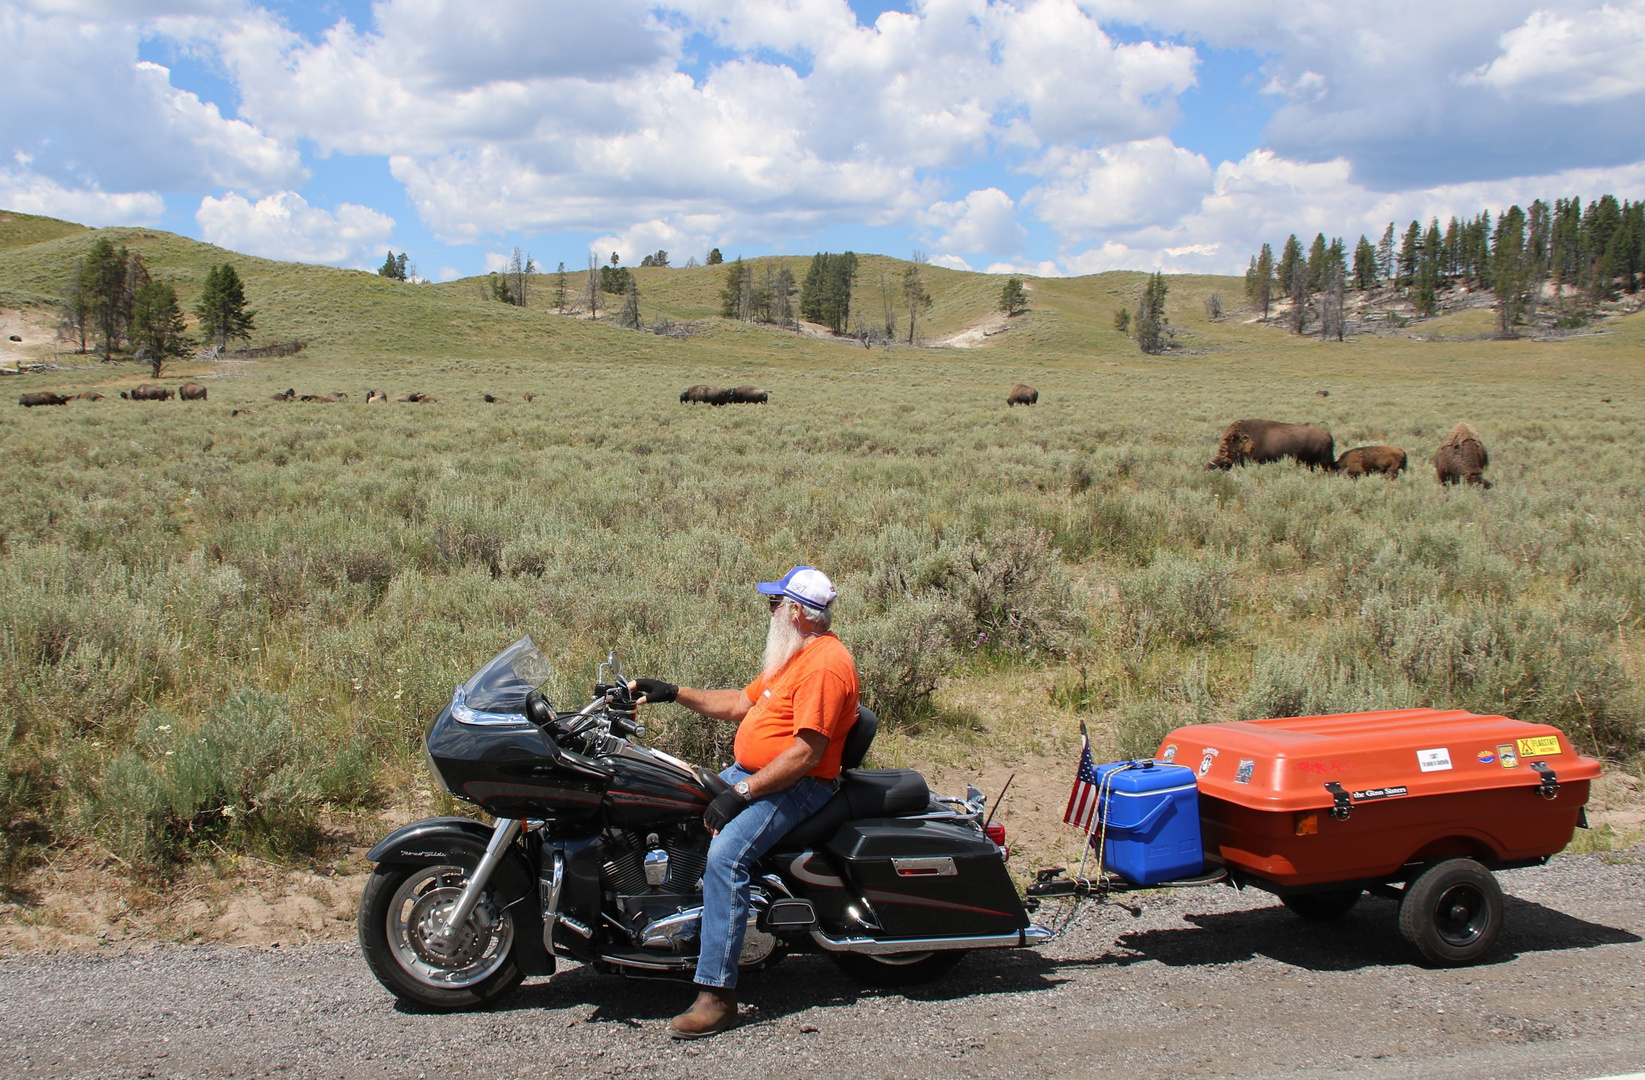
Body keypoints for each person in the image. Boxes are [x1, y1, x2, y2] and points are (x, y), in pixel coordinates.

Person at [629, 566, 859, 1040]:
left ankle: (717, 995)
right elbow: (740, 702)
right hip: (756, 775)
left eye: (775, 603)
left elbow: (806, 754)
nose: (769, 610)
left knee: (726, 856)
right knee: (673, 800)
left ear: (795, 611)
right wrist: (673, 693)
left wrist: (741, 793)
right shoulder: (795, 655)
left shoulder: (825, 665)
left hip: (796, 785)